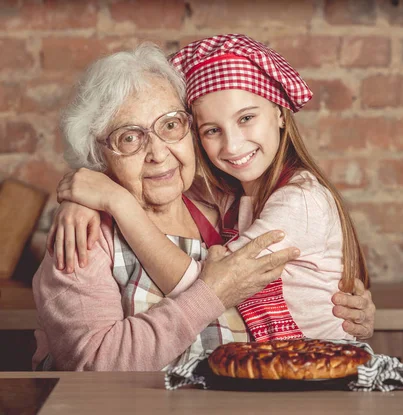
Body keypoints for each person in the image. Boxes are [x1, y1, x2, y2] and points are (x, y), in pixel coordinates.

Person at [36, 43, 374, 371]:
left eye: (170, 125)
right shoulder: (84, 236)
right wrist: (86, 199)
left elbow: (295, 287)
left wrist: (346, 316)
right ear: (99, 156)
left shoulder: (225, 203)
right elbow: (96, 364)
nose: (158, 152)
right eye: (129, 137)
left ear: (189, 132)